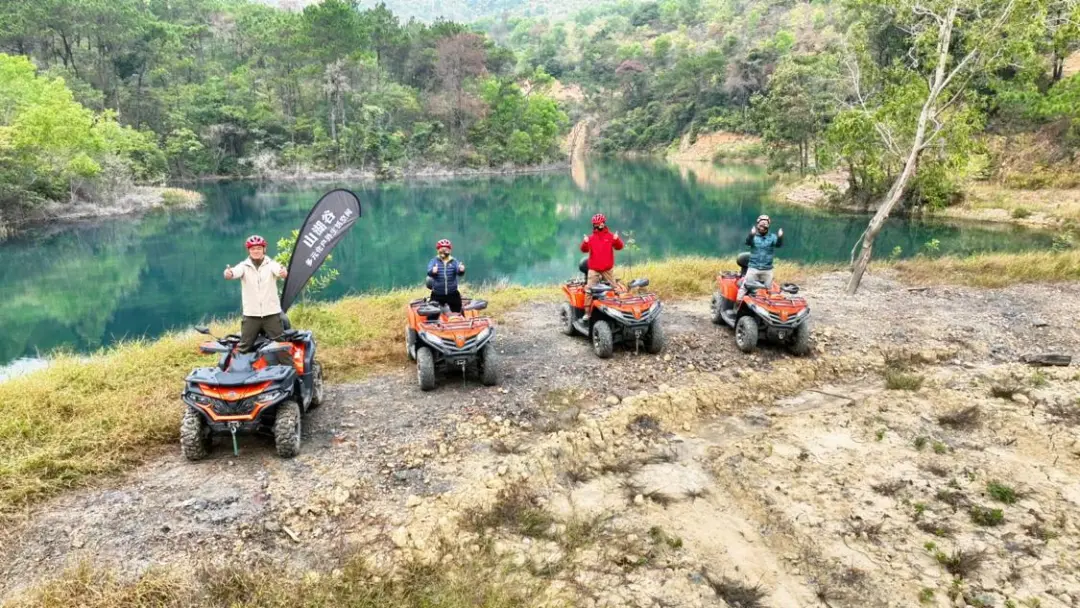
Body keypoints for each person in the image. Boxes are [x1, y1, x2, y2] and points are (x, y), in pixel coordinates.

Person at [224, 235, 288, 352]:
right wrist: (228, 273)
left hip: (271, 313)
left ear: (264, 249)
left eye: (259, 248)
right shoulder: (243, 266)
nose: (256, 251)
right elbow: (234, 272)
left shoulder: (271, 264)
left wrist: (283, 272)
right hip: (251, 315)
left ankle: (289, 363)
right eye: (253, 249)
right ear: (249, 250)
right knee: (244, 346)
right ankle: (237, 363)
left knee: (281, 346)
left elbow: (279, 271)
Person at [580, 213, 624, 321]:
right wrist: (585, 242)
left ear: (603, 223)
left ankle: (621, 309)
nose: (597, 225)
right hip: (594, 269)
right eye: (595, 224)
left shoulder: (610, 236)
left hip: (607, 269)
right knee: (589, 290)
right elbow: (584, 250)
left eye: (599, 223)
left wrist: (617, 239)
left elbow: (619, 247)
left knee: (615, 288)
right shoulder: (591, 238)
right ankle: (587, 313)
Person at [736, 215, 784, 306]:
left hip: (767, 269)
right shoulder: (754, 236)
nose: (762, 227)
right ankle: (737, 307)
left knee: (770, 290)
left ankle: (767, 309)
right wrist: (751, 234)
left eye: (765, 225)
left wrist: (780, 237)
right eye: (760, 224)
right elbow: (747, 242)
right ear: (758, 225)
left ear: (768, 226)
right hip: (753, 268)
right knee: (744, 288)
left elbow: (778, 245)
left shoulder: (772, 237)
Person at [427, 239, 466, 313]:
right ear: (438, 250)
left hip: (452, 293)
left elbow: (459, 273)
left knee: (459, 312)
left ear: (450, 250)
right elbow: (429, 272)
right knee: (432, 314)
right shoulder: (434, 261)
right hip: (437, 294)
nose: (444, 251)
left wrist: (461, 270)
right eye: (442, 249)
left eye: (446, 249)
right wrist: (433, 271)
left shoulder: (454, 261)